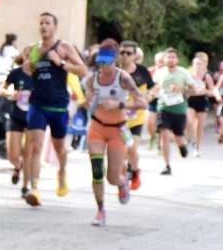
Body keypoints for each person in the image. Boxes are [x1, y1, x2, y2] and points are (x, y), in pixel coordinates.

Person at [22, 12, 88, 206]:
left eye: (47, 23)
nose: (43, 26)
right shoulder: (32, 49)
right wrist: (26, 67)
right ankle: (35, 188)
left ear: (54, 27)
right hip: (37, 103)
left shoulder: (64, 47)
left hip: (58, 105)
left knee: (60, 148)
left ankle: (62, 172)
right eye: (41, 23)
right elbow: (23, 69)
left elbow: (83, 70)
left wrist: (60, 63)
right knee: (34, 145)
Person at [82, 40, 144, 227]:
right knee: (97, 171)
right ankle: (100, 210)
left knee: (112, 177)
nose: (103, 66)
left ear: (115, 60)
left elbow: (142, 103)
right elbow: (88, 99)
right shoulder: (93, 79)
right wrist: (88, 100)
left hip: (118, 129)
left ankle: (122, 182)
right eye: (100, 62)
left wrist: (120, 104)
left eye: (107, 62)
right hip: (97, 127)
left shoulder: (123, 78)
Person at [152, 47, 202, 174]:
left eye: (173, 57)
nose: (170, 59)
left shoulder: (184, 73)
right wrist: (150, 94)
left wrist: (181, 90)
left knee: (178, 135)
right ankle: (167, 165)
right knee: (164, 134)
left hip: (179, 109)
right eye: (168, 57)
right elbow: (155, 88)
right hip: (163, 107)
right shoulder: (159, 73)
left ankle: (182, 146)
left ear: (177, 59)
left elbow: (194, 90)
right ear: (164, 59)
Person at [118, 41, 155, 190]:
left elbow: (154, 87)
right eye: (122, 53)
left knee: (131, 149)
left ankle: (135, 171)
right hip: (119, 118)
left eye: (128, 53)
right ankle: (123, 183)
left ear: (135, 56)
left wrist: (150, 95)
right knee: (121, 152)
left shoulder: (142, 71)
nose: (125, 56)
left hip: (136, 118)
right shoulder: (114, 71)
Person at [2, 48, 34, 193]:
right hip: (15, 115)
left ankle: (25, 186)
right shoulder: (16, 73)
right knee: (12, 155)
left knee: (28, 153)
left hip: (33, 117)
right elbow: (2, 88)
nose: (30, 58)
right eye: (27, 55)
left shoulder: (41, 75)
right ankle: (17, 165)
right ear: (24, 56)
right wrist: (10, 93)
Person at [185, 52, 216, 157]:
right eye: (196, 64)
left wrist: (204, 91)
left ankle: (197, 147)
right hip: (190, 101)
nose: (198, 66)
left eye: (200, 64)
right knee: (189, 122)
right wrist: (190, 91)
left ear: (204, 65)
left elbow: (213, 91)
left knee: (199, 126)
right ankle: (188, 139)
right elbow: (183, 89)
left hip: (202, 101)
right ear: (193, 65)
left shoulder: (206, 77)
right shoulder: (188, 75)